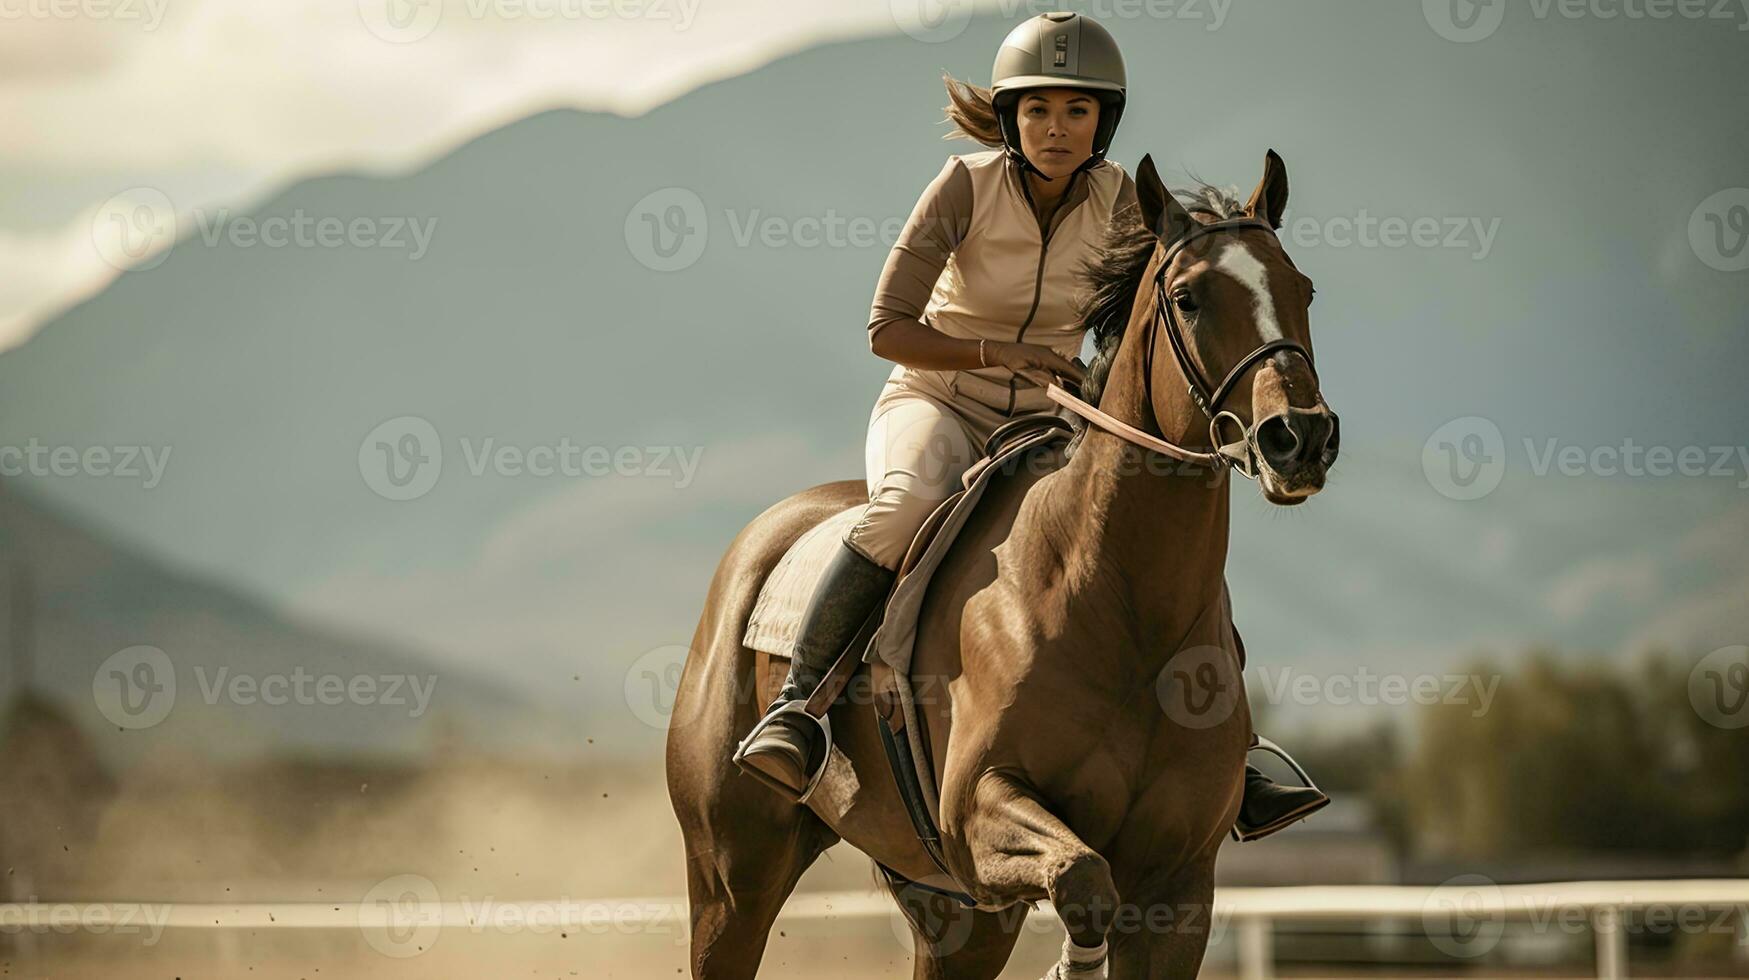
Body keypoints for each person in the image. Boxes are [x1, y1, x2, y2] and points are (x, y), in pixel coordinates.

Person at [736, 12, 1329, 841]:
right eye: (1039, 110)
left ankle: (1231, 750)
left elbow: (1144, 326)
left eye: (1076, 111)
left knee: (1150, 533)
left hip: (1056, 414)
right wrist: (999, 352)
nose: (1056, 128)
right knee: (904, 505)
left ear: (1103, 121)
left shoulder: (1124, 200)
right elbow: (885, 327)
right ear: (1011, 117)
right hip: (937, 400)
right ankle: (798, 709)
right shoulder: (961, 187)